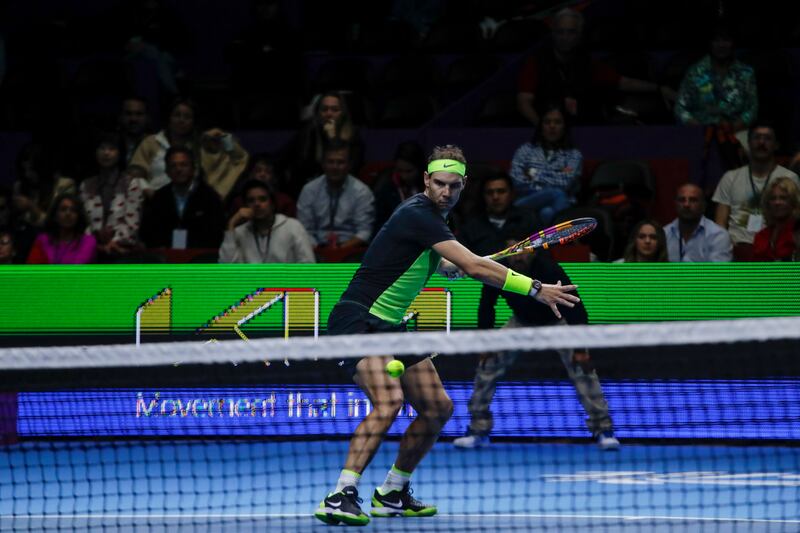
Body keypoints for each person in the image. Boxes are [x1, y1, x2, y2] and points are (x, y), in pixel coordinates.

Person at [314, 145, 580, 526]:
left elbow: (426, 258)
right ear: (426, 180)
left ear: (463, 185)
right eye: (439, 183)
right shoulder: (418, 212)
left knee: (438, 408)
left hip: (391, 326)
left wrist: (442, 265)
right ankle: (341, 494)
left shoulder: (434, 219)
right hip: (359, 319)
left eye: (454, 186)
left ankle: (392, 491)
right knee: (389, 402)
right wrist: (536, 288)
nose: (446, 192)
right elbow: (474, 266)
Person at [453, 243, 618, 450]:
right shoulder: (499, 270)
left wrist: (580, 348)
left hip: (556, 322)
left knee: (582, 369)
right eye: (513, 252)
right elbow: (487, 305)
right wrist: (486, 344)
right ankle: (478, 429)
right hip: (520, 323)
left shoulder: (549, 269)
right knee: (488, 366)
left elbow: (575, 306)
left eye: (524, 251)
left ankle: (603, 429)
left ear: (534, 252)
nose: (518, 257)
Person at [516, 8, 675, 127]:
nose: (565, 38)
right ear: (553, 34)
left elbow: (623, 82)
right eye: (560, 32)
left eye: (571, 32)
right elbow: (524, 101)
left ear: (580, 35)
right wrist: (542, 128)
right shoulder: (535, 63)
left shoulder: (588, 63)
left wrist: (659, 89)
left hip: (583, 127)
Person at [674, 23, 757, 171]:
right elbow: (681, 108)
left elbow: (752, 108)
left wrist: (736, 126)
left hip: (736, 131)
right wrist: (696, 126)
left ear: (733, 44)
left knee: (752, 157)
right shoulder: (695, 72)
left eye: (726, 40)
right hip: (701, 132)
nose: (721, 45)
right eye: (716, 40)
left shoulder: (746, 73)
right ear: (710, 44)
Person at [712, 122, 799, 254]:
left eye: (767, 138)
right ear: (748, 143)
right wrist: (725, 247)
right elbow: (720, 222)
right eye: (757, 138)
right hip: (736, 251)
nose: (761, 142)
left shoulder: (789, 178)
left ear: (776, 145)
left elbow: (796, 217)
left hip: (774, 251)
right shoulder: (730, 177)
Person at [139, 146, 225, 250]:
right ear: (167, 171)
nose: (178, 169)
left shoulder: (209, 197)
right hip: (166, 259)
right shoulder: (159, 198)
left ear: (193, 169)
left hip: (200, 259)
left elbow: (216, 233)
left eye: (183, 165)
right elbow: (147, 233)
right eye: (173, 166)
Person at [509, 103, 582, 225]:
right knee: (556, 193)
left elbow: (565, 183)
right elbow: (516, 180)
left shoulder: (574, 155)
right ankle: (563, 237)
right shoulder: (525, 150)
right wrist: (556, 175)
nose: (552, 126)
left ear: (564, 126)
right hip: (526, 201)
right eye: (547, 122)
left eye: (557, 122)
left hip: (561, 204)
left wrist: (534, 174)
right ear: (541, 125)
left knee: (547, 212)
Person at [297, 141, 375, 251]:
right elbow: (304, 229)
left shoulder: (362, 192)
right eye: (330, 162)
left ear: (349, 165)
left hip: (350, 249)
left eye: (340, 162)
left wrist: (340, 250)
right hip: (316, 249)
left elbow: (364, 231)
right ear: (323, 164)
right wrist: (319, 250)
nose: (335, 167)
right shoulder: (309, 190)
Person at [79, 136, 148, 259]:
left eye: (112, 149)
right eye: (102, 148)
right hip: (91, 249)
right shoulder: (86, 185)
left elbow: (132, 224)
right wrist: (94, 244)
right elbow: (84, 223)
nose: (106, 153)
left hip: (124, 250)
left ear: (120, 153)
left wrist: (114, 242)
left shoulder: (131, 184)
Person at [286, 91, 365, 196]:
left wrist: (332, 138)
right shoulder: (308, 133)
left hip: (345, 190)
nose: (329, 114)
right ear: (318, 113)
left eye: (334, 110)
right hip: (310, 189)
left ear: (343, 113)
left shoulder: (352, 136)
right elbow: (300, 167)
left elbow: (352, 169)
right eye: (325, 109)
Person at [219, 180, 315, 263]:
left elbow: (308, 267)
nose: (257, 204)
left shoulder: (293, 227)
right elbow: (226, 271)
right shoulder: (239, 232)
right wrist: (231, 224)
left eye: (262, 199)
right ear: (245, 206)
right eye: (251, 200)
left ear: (272, 204)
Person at [130, 98, 198, 191]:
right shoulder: (151, 142)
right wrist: (148, 191)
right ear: (169, 117)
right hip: (153, 198)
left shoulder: (199, 146)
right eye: (177, 115)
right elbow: (135, 173)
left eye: (187, 117)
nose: (181, 120)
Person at [664, 183, 732, 262]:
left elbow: (717, 273)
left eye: (693, 200)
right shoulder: (665, 233)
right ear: (675, 204)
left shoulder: (719, 235)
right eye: (682, 200)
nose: (686, 204)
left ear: (703, 205)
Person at [26, 194, 96, 264]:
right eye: (63, 209)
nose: (68, 213)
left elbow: (76, 269)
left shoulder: (88, 241)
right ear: (55, 216)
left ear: (78, 216)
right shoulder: (43, 240)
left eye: (73, 210)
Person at [372, 140, 426, 232]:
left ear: (419, 168)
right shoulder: (385, 186)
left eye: (409, 171)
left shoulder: (430, 185)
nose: (404, 176)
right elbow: (379, 224)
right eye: (400, 170)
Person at [227, 154, 296, 218]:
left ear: (274, 177)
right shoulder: (239, 202)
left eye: (268, 171)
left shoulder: (285, 201)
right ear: (251, 175)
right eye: (258, 171)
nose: (262, 174)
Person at [752, 177, 800, 261]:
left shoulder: (797, 233)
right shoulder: (761, 236)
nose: (777, 202)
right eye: (773, 198)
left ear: (793, 202)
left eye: (783, 198)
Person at [119, 96, 151, 164]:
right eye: (128, 114)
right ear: (120, 116)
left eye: (139, 114)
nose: (133, 119)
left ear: (147, 118)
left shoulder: (155, 146)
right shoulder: (112, 144)